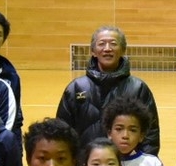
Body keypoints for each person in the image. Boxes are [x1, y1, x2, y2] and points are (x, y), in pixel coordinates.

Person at [57, 26, 160, 155]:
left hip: (126, 165)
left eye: (113, 44)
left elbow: (150, 135)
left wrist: (141, 163)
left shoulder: (138, 88)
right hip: (85, 165)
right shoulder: (76, 88)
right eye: (101, 44)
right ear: (93, 51)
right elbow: (62, 134)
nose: (107, 48)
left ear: (123, 50)